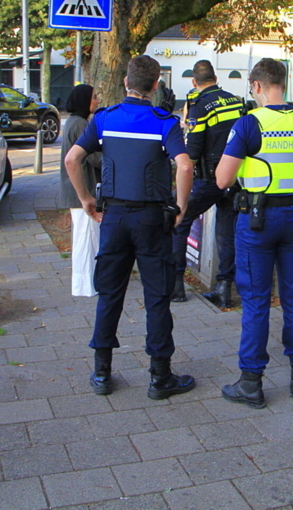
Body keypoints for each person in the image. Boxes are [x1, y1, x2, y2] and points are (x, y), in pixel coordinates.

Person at [63, 55, 196, 400]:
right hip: (151, 220)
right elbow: (184, 167)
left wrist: (85, 199)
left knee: (110, 294)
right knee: (157, 297)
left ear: (126, 82)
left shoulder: (104, 119)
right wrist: (181, 207)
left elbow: (72, 159)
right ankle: (160, 377)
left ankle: (102, 373)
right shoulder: (165, 122)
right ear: (155, 86)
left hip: (115, 218)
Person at [215, 58, 293, 408]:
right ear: (284, 82)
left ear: (257, 86)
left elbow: (222, 179)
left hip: (258, 220)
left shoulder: (249, 124)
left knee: (256, 300)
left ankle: (251, 382)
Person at [171, 60, 245, 306]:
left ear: (194, 82)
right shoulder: (236, 101)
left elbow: (192, 152)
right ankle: (224, 288)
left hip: (209, 178)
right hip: (234, 176)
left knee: (179, 221)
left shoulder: (200, 106)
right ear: (216, 78)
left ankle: (176, 286)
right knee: (226, 230)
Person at [59, 84, 100, 297]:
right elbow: (94, 158)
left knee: (85, 236)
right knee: (87, 237)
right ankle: (86, 285)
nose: (97, 101)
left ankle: (87, 282)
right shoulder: (81, 124)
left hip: (75, 190)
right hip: (83, 189)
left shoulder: (73, 122)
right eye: (94, 97)